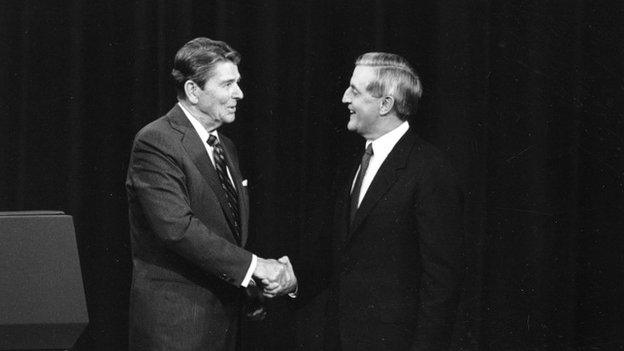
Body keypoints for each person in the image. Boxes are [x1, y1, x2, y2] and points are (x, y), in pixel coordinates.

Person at [125, 37, 296, 351]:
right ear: (193, 91)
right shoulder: (157, 141)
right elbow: (177, 229)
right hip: (176, 330)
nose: (239, 94)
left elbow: (225, 232)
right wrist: (255, 266)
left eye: (238, 83)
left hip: (222, 324)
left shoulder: (224, 146)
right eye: (228, 84)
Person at [320, 52, 464, 350]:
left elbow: (441, 283)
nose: (345, 98)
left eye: (355, 91)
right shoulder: (356, 162)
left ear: (385, 104)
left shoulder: (430, 169)